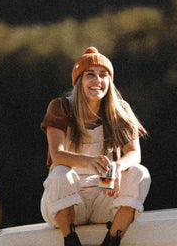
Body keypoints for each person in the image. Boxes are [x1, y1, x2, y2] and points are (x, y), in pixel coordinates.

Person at [40, 47, 151, 246]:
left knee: (139, 172)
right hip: (68, 201)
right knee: (60, 173)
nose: (97, 80)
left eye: (103, 75)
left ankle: (112, 241)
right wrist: (91, 162)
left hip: (104, 197)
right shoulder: (61, 107)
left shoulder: (120, 110)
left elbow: (134, 153)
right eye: (90, 75)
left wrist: (117, 167)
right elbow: (57, 155)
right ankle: (70, 239)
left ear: (110, 81)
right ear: (79, 81)